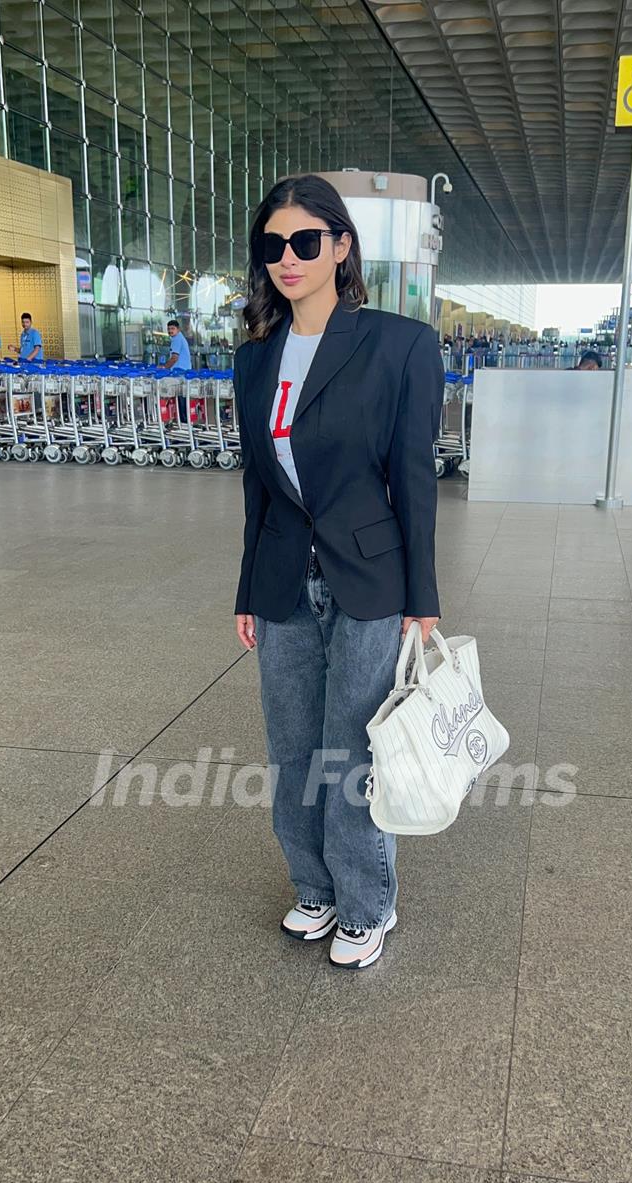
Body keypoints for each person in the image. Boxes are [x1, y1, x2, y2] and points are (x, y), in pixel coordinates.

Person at [233, 173, 443, 971]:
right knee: (292, 749)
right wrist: (248, 590)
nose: (287, 258)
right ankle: (313, 889)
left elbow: (414, 482)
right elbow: (257, 485)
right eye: (273, 245)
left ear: (340, 247)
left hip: (369, 580)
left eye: (305, 242)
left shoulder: (399, 344)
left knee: (353, 752)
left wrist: (422, 601)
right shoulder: (256, 360)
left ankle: (365, 903)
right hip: (284, 580)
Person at [163, 318, 192, 422]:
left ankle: (183, 422)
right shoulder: (179, 338)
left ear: (178, 329)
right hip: (182, 373)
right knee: (182, 398)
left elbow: (174, 358)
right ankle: (184, 421)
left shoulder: (177, 339)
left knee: (181, 399)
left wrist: (164, 367)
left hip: (180, 373)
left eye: (172, 328)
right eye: (169, 329)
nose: (170, 331)